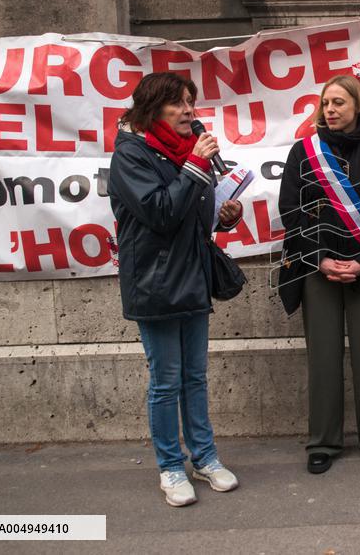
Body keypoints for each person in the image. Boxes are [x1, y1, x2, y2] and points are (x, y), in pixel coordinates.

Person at [108, 72, 243, 507]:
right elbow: (160, 212)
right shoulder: (131, 155)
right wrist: (197, 168)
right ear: (153, 110)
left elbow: (188, 217)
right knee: (166, 382)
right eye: (179, 104)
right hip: (156, 283)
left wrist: (223, 215)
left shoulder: (185, 155)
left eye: (191, 103)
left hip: (192, 277)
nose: (189, 112)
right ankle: (170, 466)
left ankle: (204, 458)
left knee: (195, 377)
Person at [278, 74, 360, 475]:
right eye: (325, 103)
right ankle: (324, 441)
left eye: (338, 103)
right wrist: (320, 259)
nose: (330, 110)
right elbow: (290, 212)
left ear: (358, 108)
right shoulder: (303, 154)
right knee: (323, 359)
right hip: (318, 272)